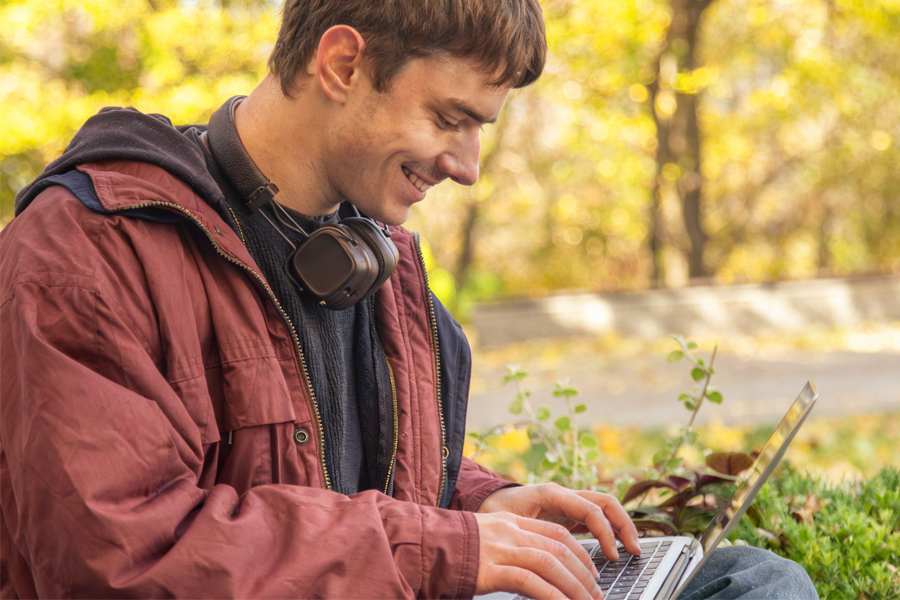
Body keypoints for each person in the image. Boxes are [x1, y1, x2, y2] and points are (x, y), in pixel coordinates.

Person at [0, 1, 816, 598]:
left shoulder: (372, 258)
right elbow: (118, 562)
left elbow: (347, 475)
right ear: (342, 65)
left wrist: (487, 505)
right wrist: (447, 550)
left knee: (753, 583)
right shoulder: (89, 249)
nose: (467, 166)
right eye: (450, 118)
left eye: (480, 128)